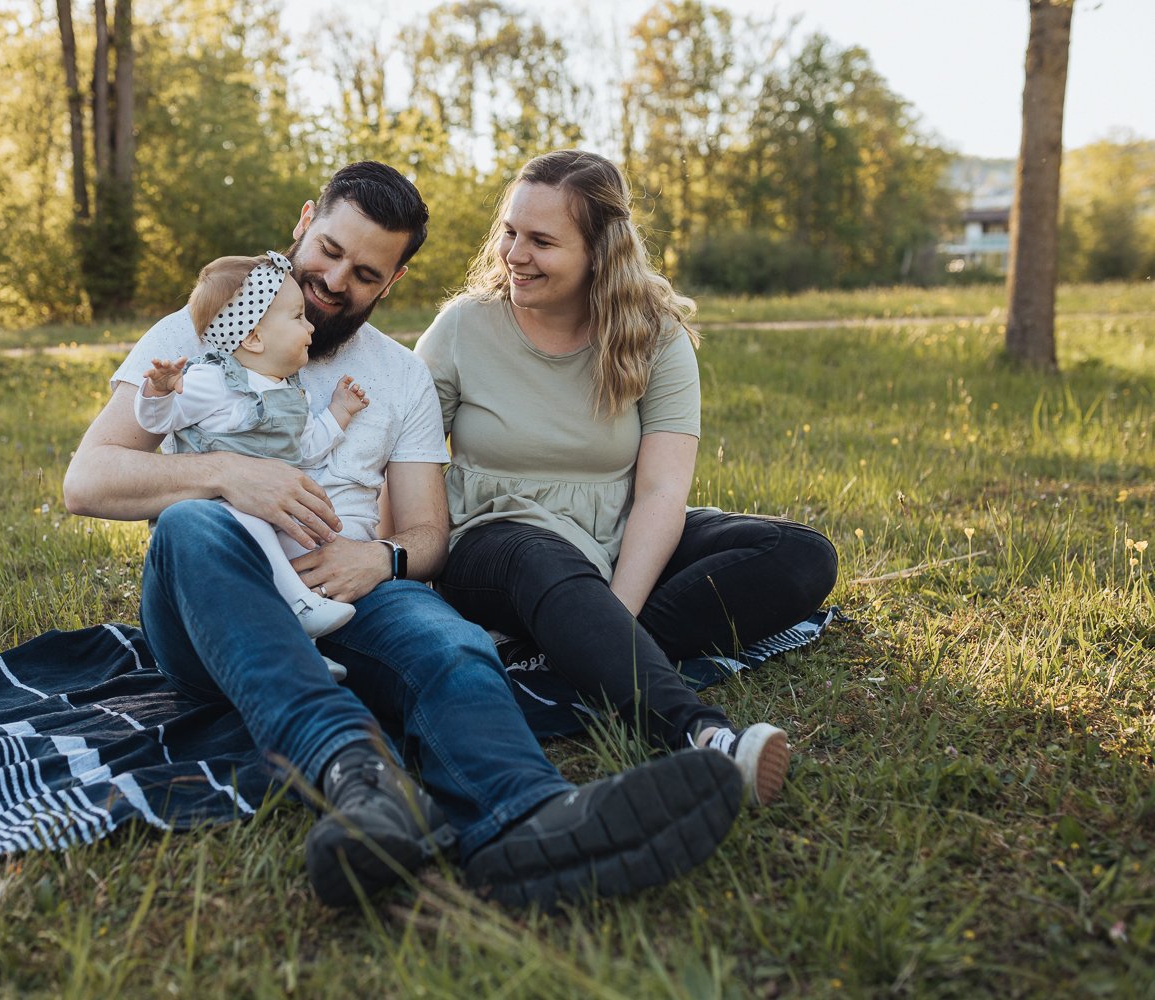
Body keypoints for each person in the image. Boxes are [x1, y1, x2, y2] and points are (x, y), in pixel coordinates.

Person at [63, 160, 746, 910]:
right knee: (194, 523)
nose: (332, 282)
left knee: (450, 641)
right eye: (326, 250)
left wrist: (379, 557)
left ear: (389, 283)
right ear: (303, 222)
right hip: (217, 607)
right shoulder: (203, 329)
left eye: (364, 272)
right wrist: (227, 475)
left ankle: (531, 816)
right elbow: (87, 480)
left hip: (348, 593)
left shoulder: (398, 375)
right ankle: (363, 782)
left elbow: (429, 536)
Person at [416, 149, 839, 807]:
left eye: (542, 241)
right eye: (510, 231)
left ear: (599, 251)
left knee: (799, 556)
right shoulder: (463, 327)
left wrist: (614, 613)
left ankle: (582, 648)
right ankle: (703, 735)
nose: (513, 254)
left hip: (613, 536)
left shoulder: (652, 332)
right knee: (542, 558)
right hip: (494, 539)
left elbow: (664, 492)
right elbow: (403, 458)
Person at [135, 250, 371, 641]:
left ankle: (302, 649)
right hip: (219, 514)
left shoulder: (291, 393)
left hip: (271, 511)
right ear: (254, 337)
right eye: (297, 317)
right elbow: (158, 422)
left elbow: (306, 449)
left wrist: (339, 413)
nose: (309, 325)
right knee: (254, 524)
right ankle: (299, 607)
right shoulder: (214, 381)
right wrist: (158, 391)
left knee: (303, 547)